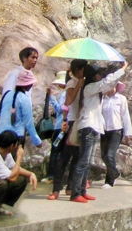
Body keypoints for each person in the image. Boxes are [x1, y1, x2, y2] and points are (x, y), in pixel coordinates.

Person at [71, 62, 127, 202]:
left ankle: (82, 190)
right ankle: (75, 193)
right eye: (99, 74)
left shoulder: (94, 89)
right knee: (83, 161)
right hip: (88, 127)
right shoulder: (90, 87)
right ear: (92, 75)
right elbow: (108, 82)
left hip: (94, 127)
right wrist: (123, 68)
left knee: (88, 162)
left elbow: (107, 84)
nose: (101, 76)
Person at [48, 59, 88, 200]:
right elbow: (68, 102)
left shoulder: (85, 84)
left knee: (77, 158)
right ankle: (56, 189)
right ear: (78, 70)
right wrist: (78, 86)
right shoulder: (71, 83)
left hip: (81, 122)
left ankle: (71, 187)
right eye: (84, 69)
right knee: (64, 157)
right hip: (72, 123)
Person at [0, 69, 44, 155]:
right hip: (15, 138)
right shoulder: (25, 99)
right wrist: (37, 141)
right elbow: (29, 123)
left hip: (0, 134)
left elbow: (0, 114)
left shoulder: (7, 94)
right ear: (27, 84)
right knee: (12, 165)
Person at [99, 82, 132, 189]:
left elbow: (125, 116)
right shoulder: (102, 99)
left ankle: (109, 181)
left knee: (110, 154)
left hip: (117, 130)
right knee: (104, 156)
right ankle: (115, 173)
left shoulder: (121, 99)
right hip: (104, 130)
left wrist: (128, 133)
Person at [45, 72, 67, 176]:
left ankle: (51, 175)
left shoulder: (64, 94)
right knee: (62, 151)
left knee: (55, 150)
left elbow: (59, 108)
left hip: (60, 126)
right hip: (65, 126)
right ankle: (59, 174)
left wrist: (51, 97)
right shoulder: (70, 93)